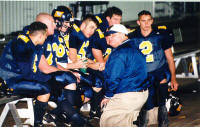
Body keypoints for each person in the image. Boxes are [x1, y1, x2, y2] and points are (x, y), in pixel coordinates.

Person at [128, 10, 179, 127]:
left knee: (162, 100)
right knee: (145, 102)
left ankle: (163, 122)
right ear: (138, 22)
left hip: (159, 71)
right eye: (143, 21)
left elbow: (170, 58)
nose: (146, 23)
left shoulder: (160, 35)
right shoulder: (132, 36)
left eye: (148, 20)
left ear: (152, 21)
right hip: (143, 74)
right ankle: (143, 123)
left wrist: (174, 78)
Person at [0, 22, 49, 127]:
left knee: (47, 84)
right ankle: (37, 123)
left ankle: (37, 120)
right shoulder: (22, 44)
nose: (46, 38)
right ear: (40, 35)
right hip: (10, 81)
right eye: (45, 36)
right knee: (45, 89)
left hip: (16, 78)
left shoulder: (28, 43)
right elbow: (26, 73)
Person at [100, 24, 149, 127]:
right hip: (141, 94)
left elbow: (113, 78)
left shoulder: (119, 52)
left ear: (123, 35)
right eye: (108, 36)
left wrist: (108, 95)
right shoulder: (135, 47)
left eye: (113, 35)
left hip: (127, 96)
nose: (109, 38)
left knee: (107, 122)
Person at [88, 6, 123, 119]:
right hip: (89, 61)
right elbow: (97, 55)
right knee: (101, 79)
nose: (118, 22)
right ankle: (95, 109)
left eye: (120, 19)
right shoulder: (100, 33)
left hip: (104, 60)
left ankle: (101, 108)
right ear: (108, 19)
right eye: (115, 19)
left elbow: (112, 53)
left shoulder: (117, 31)